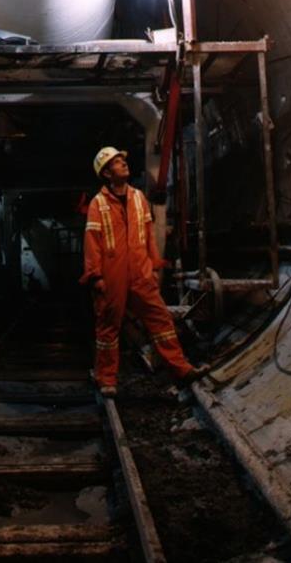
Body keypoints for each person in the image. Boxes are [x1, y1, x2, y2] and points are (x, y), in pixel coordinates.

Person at [80, 146, 209, 396]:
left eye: (122, 160)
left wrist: (153, 264)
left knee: (160, 321)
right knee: (108, 327)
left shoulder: (139, 197)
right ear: (107, 173)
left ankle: (181, 370)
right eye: (117, 162)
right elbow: (92, 240)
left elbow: (148, 234)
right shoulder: (98, 203)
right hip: (112, 272)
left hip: (140, 271)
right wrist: (95, 275)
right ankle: (107, 379)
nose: (123, 164)